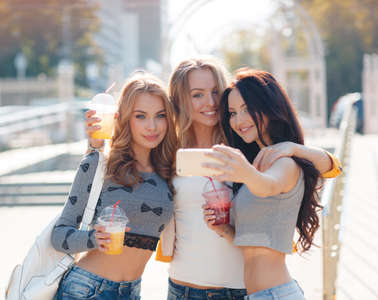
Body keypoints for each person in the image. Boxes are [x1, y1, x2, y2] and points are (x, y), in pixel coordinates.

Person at [86, 57, 341, 300]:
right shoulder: (167, 150)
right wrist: (95, 145)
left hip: (240, 289)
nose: (209, 102)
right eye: (197, 94)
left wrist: (293, 148)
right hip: (182, 287)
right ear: (180, 99)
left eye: (215, 92)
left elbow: (330, 168)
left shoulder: (245, 144)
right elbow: (110, 174)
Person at [202, 68, 327, 299]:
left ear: (270, 108)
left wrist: (243, 171)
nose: (238, 120)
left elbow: (268, 185)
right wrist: (225, 231)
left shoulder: (285, 164)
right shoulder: (258, 164)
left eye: (246, 109)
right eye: (232, 113)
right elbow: (255, 247)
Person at [51, 72, 178, 300]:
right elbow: (59, 235)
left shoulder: (168, 172)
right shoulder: (99, 164)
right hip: (86, 289)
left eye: (160, 116)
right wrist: (93, 238)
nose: (152, 126)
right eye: (140, 116)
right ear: (124, 118)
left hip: (132, 292)